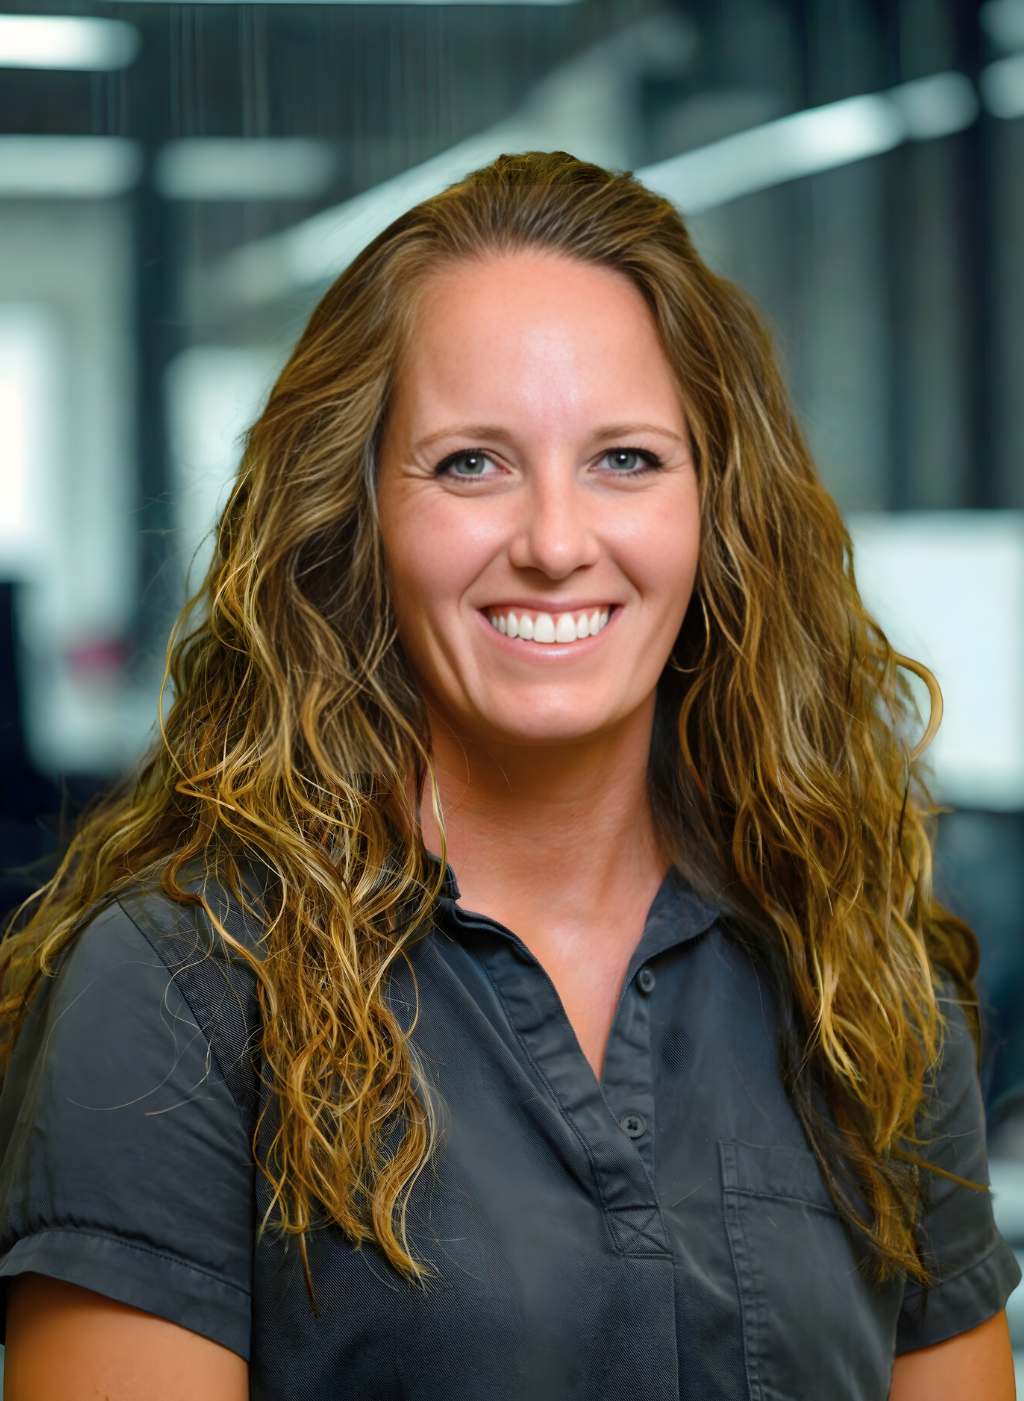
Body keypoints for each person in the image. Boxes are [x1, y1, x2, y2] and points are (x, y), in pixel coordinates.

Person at [0, 151, 1017, 1401]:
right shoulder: (177, 993)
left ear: (719, 509)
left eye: (627, 460)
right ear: (357, 510)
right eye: (471, 463)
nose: (552, 542)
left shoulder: (857, 963)